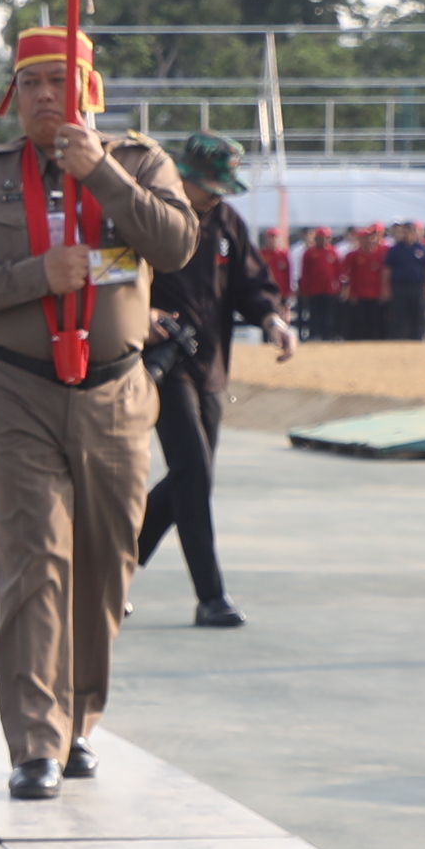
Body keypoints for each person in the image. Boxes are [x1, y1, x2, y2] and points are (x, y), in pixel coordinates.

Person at [0, 26, 200, 796]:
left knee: (107, 565)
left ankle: (80, 722)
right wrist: (33, 275)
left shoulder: (139, 162)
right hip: (13, 392)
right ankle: (34, 744)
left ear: (91, 89)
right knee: (35, 562)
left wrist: (101, 174)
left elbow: (175, 246)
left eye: (61, 80)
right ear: (16, 94)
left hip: (114, 392)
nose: (47, 95)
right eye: (32, 82)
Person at [136, 132, 292, 629]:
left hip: (212, 366)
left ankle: (107, 569)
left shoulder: (226, 221)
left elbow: (251, 284)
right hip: (162, 360)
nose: (217, 194)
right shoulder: (149, 216)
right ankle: (211, 596)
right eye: (210, 184)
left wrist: (271, 320)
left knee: (188, 479)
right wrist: (143, 311)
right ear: (183, 175)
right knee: (194, 472)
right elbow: (118, 278)